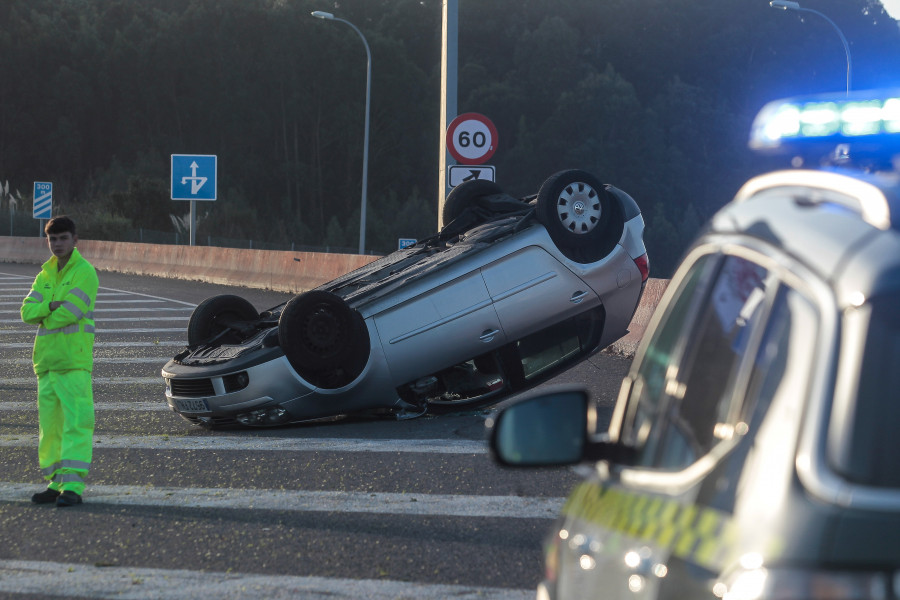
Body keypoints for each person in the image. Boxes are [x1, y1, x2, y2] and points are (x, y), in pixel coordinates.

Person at [20, 216, 98, 507]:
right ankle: (55, 483)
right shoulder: (45, 275)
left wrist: (46, 312)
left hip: (73, 362)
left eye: (63, 238)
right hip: (47, 362)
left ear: (75, 240)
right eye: (53, 239)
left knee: (76, 424)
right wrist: (51, 305)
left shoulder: (85, 272)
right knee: (50, 428)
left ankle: (73, 488)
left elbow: (72, 311)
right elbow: (26, 312)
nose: (58, 244)